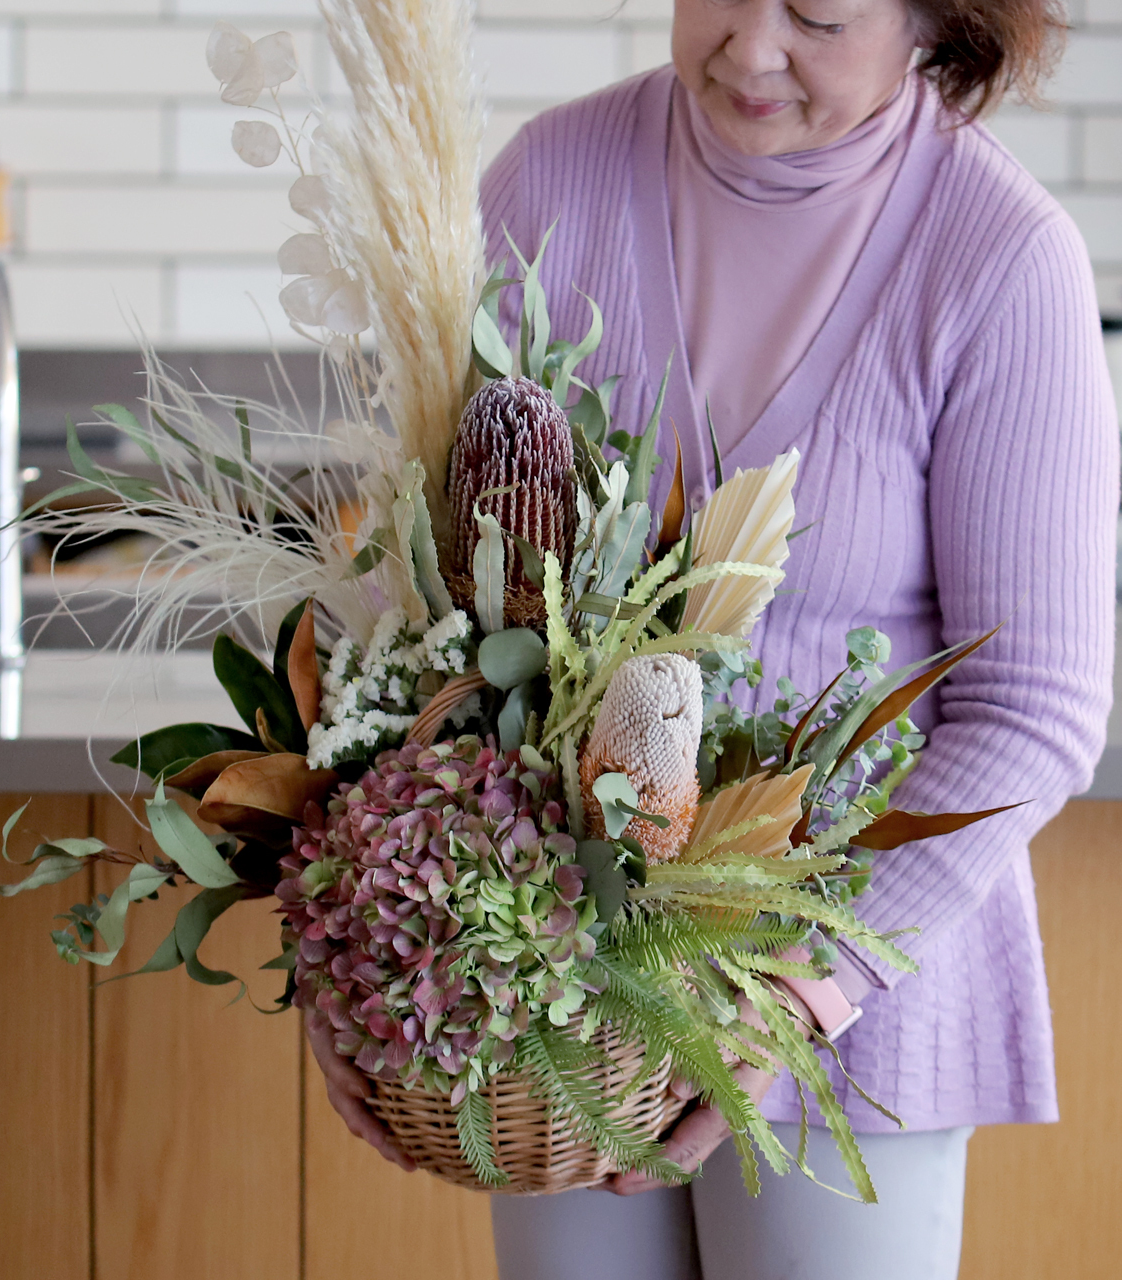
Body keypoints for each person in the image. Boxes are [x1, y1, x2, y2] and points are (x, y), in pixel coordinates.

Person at [307, 0, 1119, 1275]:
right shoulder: (550, 185)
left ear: (932, 16)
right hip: (562, 1000)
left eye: (818, 13)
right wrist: (355, 962)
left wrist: (796, 995)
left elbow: (1036, 707)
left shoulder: (999, 258)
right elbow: (416, 593)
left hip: (854, 1003)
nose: (748, 47)